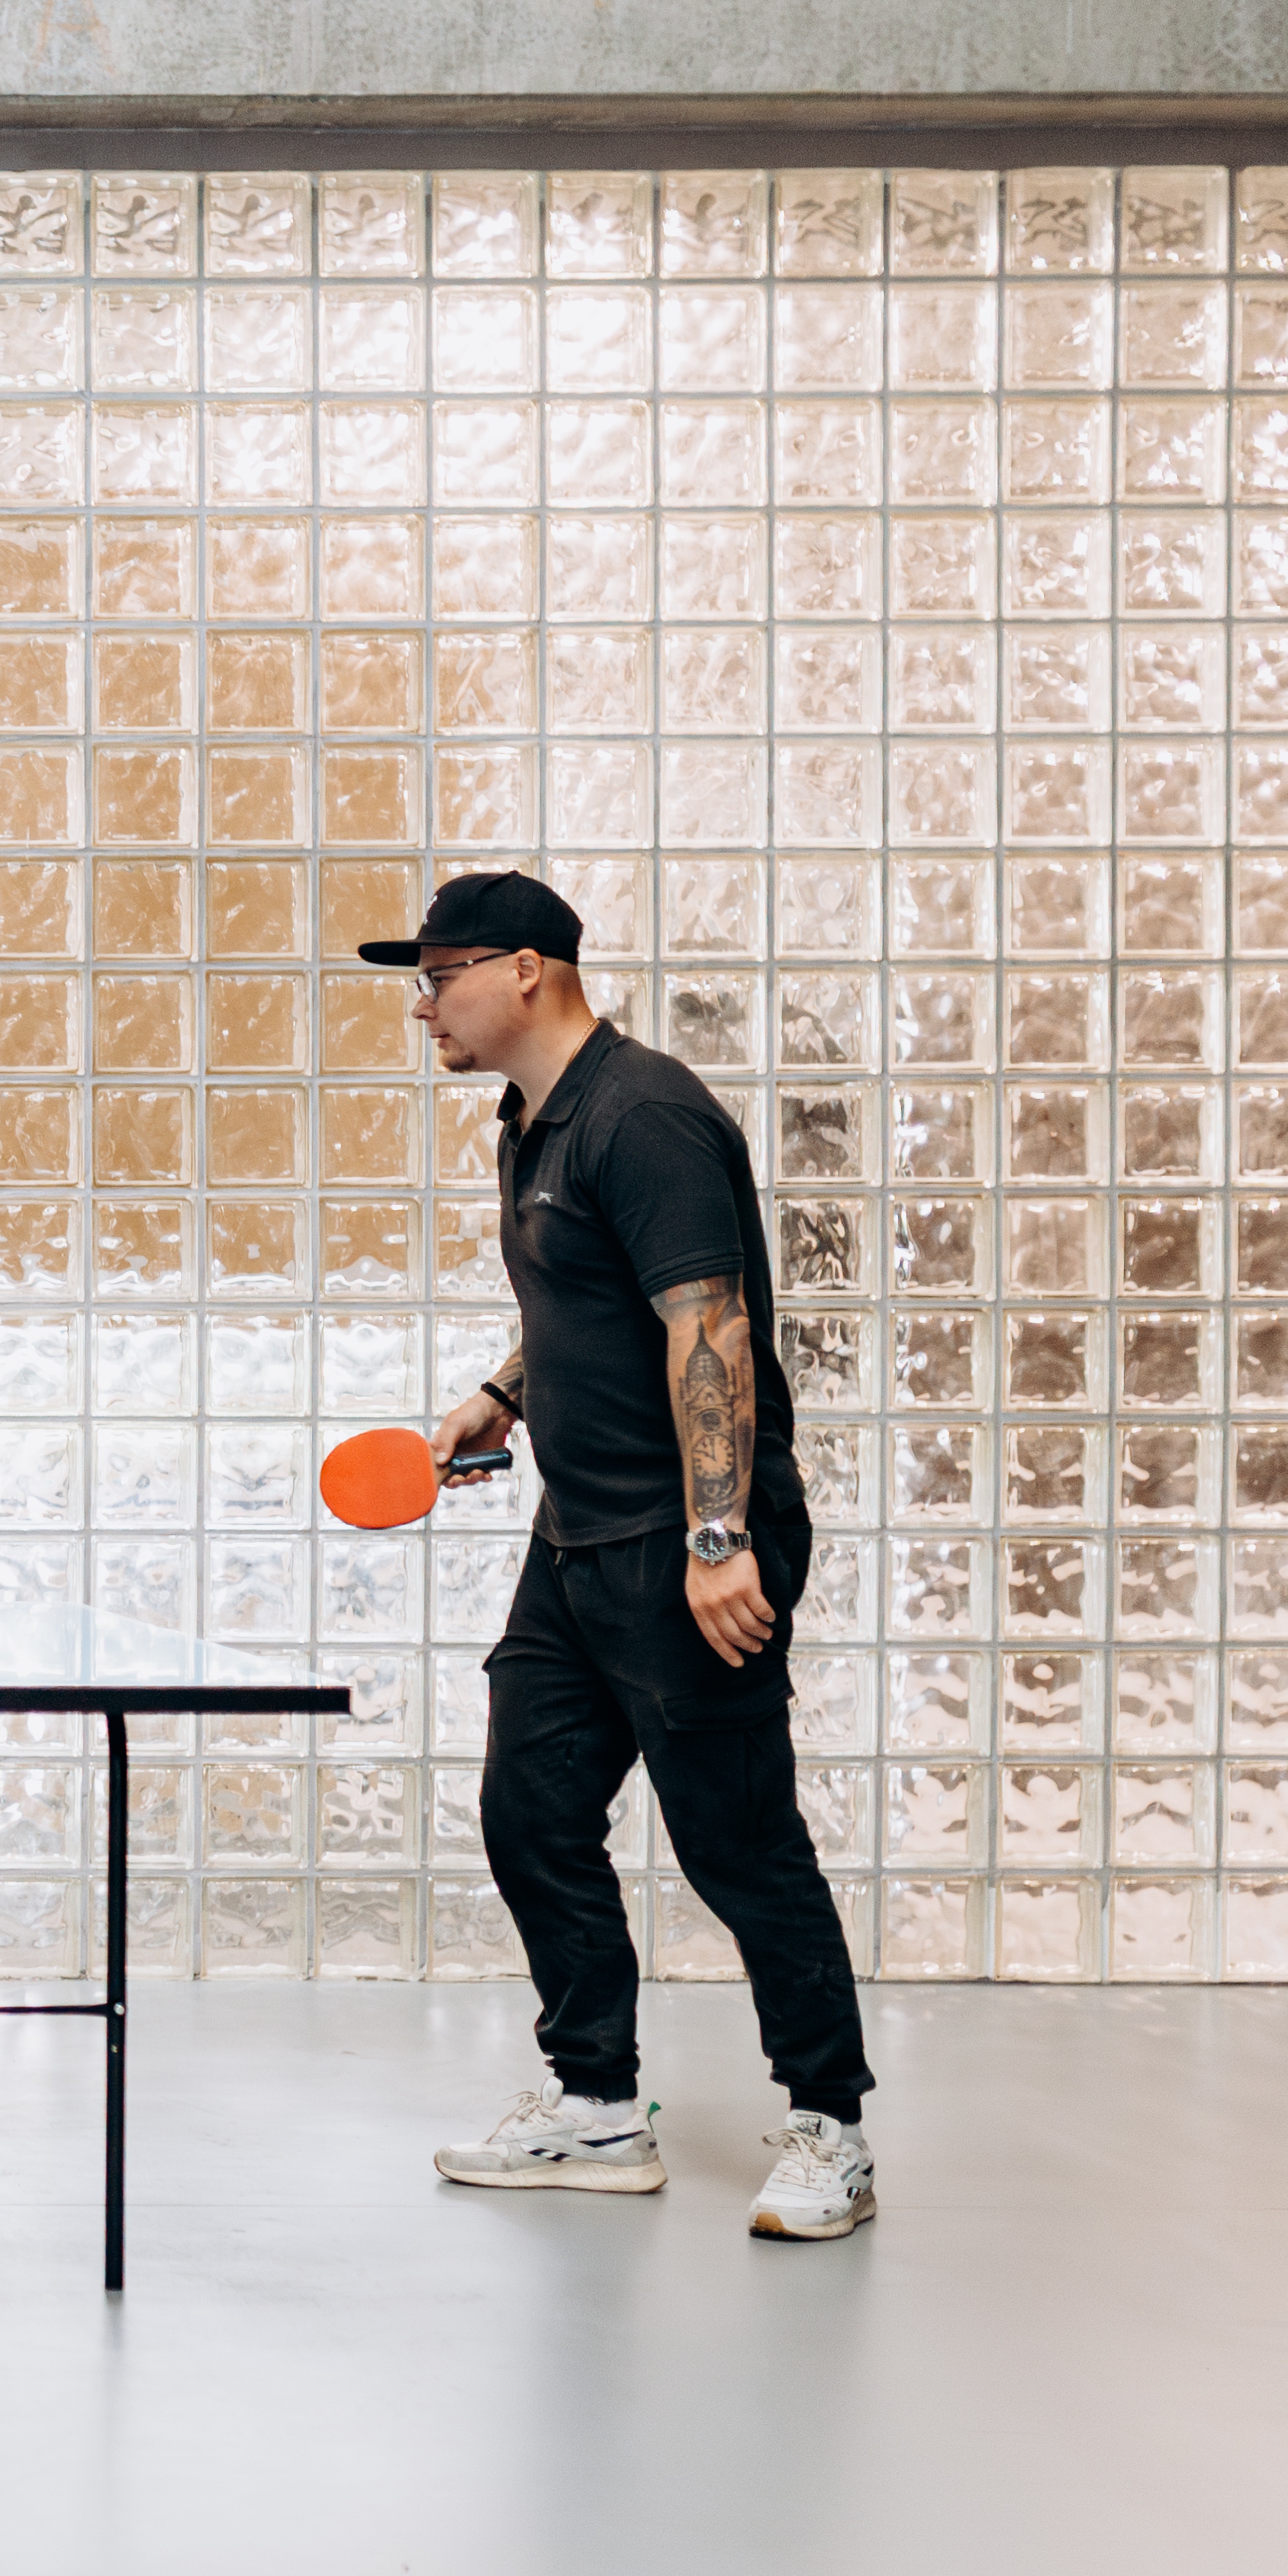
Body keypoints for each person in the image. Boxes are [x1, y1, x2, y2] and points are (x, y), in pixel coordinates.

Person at [385, 872, 880, 2241]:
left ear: (526, 970)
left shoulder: (643, 1114)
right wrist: (503, 1392)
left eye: (439, 974)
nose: (423, 1004)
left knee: (738, 1842)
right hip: (579, 1532)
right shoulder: (530, 1122)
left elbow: (708, 1326)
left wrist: (720, 1539)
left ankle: (833, 2128)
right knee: (531, 1807)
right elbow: (592, 1295)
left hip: (687, 1539)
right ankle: (598, 2103)